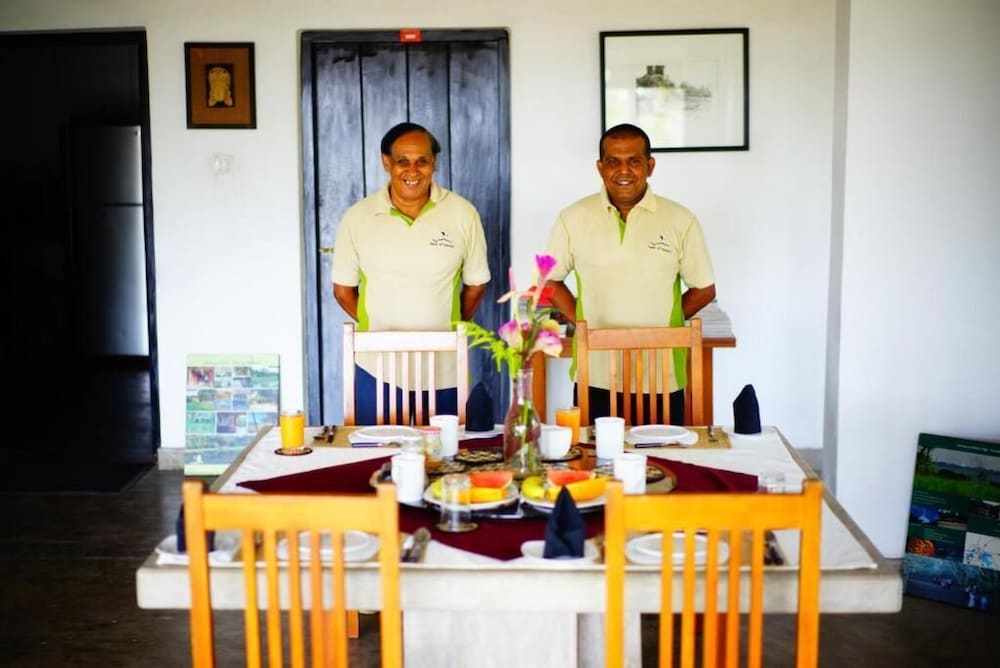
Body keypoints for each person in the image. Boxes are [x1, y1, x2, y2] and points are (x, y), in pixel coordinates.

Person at [544, 123, 716, 425]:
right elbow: (548, 281)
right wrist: (582, 324)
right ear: (600, 168)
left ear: (650, 166)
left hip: (662, 373)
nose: (624, 170)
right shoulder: (572, 218)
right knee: (595, 464)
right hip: (594, 371)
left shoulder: (680, 219)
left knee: (664, 464)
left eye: (634, 161)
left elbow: (704, 288)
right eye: (613, 161)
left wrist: (663, 326)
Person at [332, 122, 490, 424]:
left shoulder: (462, 213)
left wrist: (448, 327)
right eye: (403, 161)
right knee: (373, 459)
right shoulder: (358, 218)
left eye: (423, 161)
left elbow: (476, 285)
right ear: (386, 162)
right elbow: (343, 290)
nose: (412, 170)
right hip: (376, 368)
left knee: (445, 460)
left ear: (434, 164)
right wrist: (378, 330)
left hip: (445, 367)